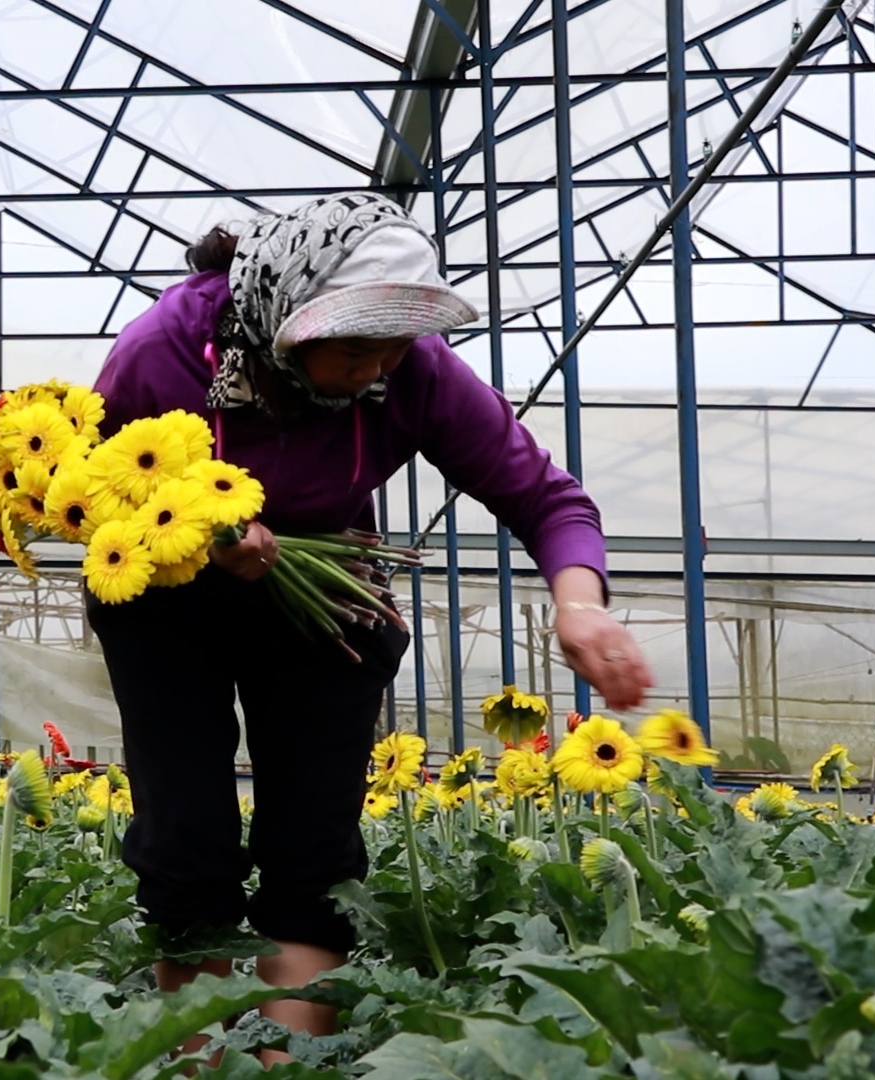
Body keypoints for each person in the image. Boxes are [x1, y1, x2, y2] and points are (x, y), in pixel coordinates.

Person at [86, 191, 653, 1063]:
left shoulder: (415, 370)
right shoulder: (162, 354)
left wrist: (579, 604)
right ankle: (199, 1056)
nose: (376, 368)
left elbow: (547, 498)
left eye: (392, 345)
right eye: (355, 350)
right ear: (285, 323)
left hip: (323, 602)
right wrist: (205, 538)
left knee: (313, 840)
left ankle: (285, 1060)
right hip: (172, 601)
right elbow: (96, 501)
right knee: (184, 830)